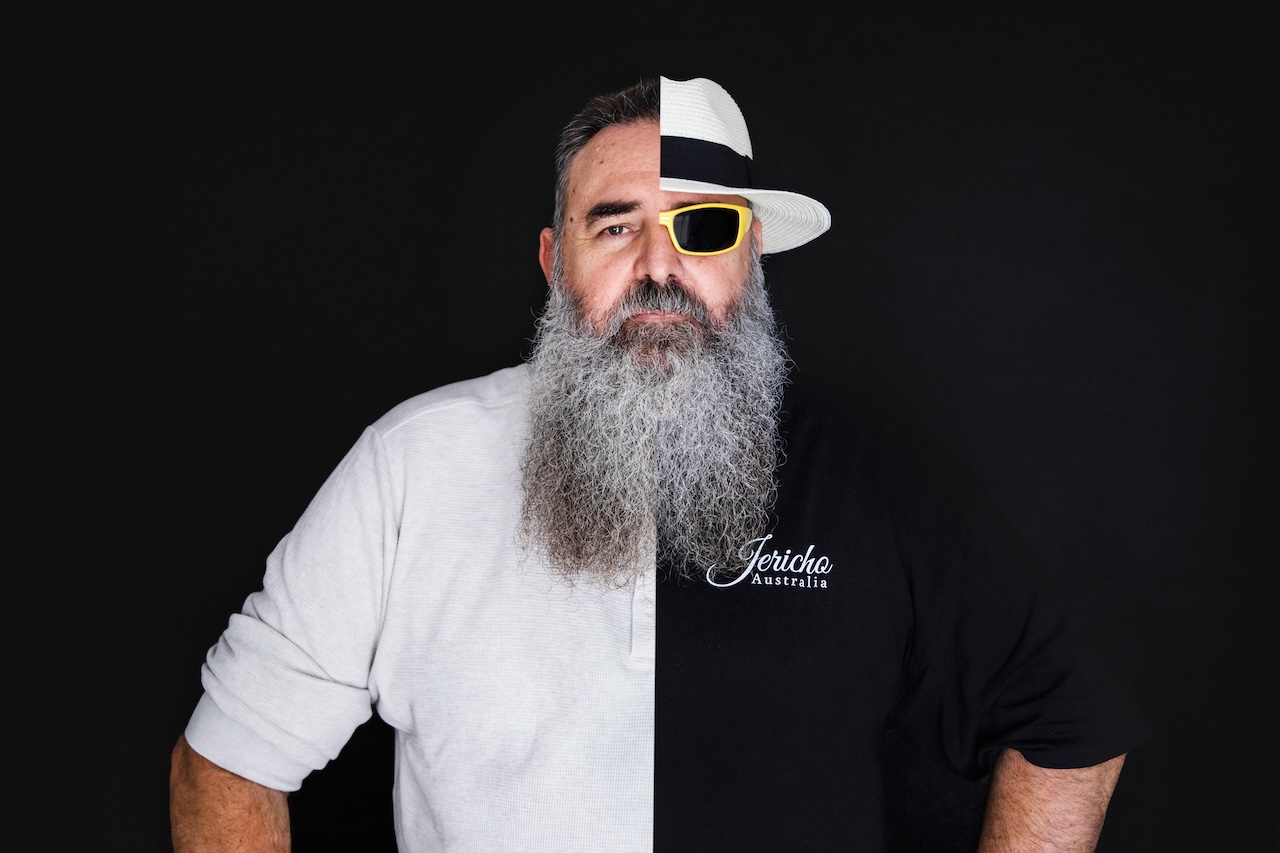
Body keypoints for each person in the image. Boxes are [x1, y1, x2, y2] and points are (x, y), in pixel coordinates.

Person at [170, 75, 1149, 851]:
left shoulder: (872, 475)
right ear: (553, 259)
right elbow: (223, 762)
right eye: (615, 223)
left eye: (702, 226)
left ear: (748, 260)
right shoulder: (411, 468)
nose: (657, 264)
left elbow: (1067, 715)